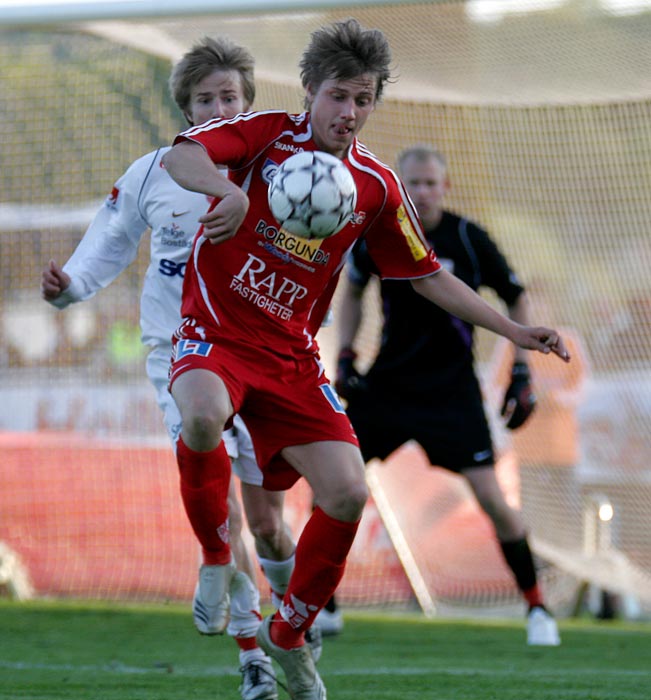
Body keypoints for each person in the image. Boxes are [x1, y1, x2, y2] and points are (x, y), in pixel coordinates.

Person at [161, 18, 570, 698]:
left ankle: (289, 635)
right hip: (217, 336)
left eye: (362, 99)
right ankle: (212, 559)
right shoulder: (263, 136)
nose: (348, 113)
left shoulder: (376, 187)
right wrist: (227, 189)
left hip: (290, 359)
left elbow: (428, 274)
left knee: (348, 491)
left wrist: (513, 331)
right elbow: (181, 155)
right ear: (308, 92)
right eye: (336, 97)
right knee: (201, 414)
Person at [39, 36, 299, 700]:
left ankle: (297, 609)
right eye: (205, 99)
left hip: (259, 352)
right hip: (178, 354)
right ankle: (252, 658)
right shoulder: (154, 171)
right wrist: (67, 285)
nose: (218, 108)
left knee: (267, 518)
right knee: (226, 508)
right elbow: (108, 242)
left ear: (247, 103)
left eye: (230, 98)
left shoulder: (276, 171)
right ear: (186, 108)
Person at [334, 144, 561, 646]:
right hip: (388, 385)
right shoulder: (379, 231)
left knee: (493, 500)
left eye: (430, 183)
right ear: (400, 186)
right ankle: (320, 602)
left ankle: (537, 607)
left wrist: (521, 369)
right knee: (336, 482)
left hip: (453, 394)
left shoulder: (467, 236)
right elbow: (350, 291)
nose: (421, 191)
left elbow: (516, 294)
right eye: (412, 183)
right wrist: (346, 355)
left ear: (446, 187)